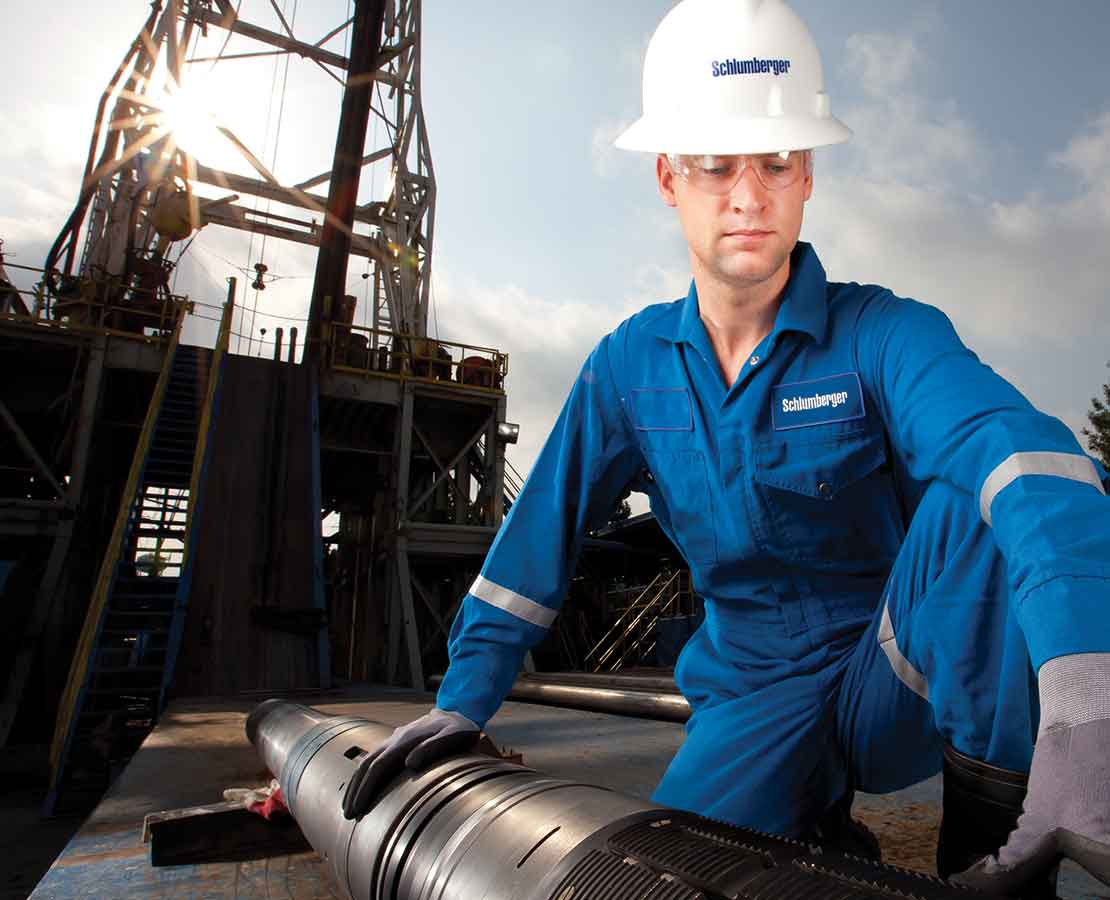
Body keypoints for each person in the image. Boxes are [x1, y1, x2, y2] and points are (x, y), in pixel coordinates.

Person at [342, 1, 1110, 894]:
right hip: (750, 694)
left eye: (776, 161)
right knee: (672, 877)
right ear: (668, 176)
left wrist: (1086, 700)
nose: (749, 196)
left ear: (808, 173)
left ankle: (994, 852)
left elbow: (1027, 457)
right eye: (714, 165)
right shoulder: (630, 368)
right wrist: (461, 698)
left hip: (889, 671)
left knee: (974, 502)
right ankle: (813, 822)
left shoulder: (883, 334)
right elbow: (533, 547)